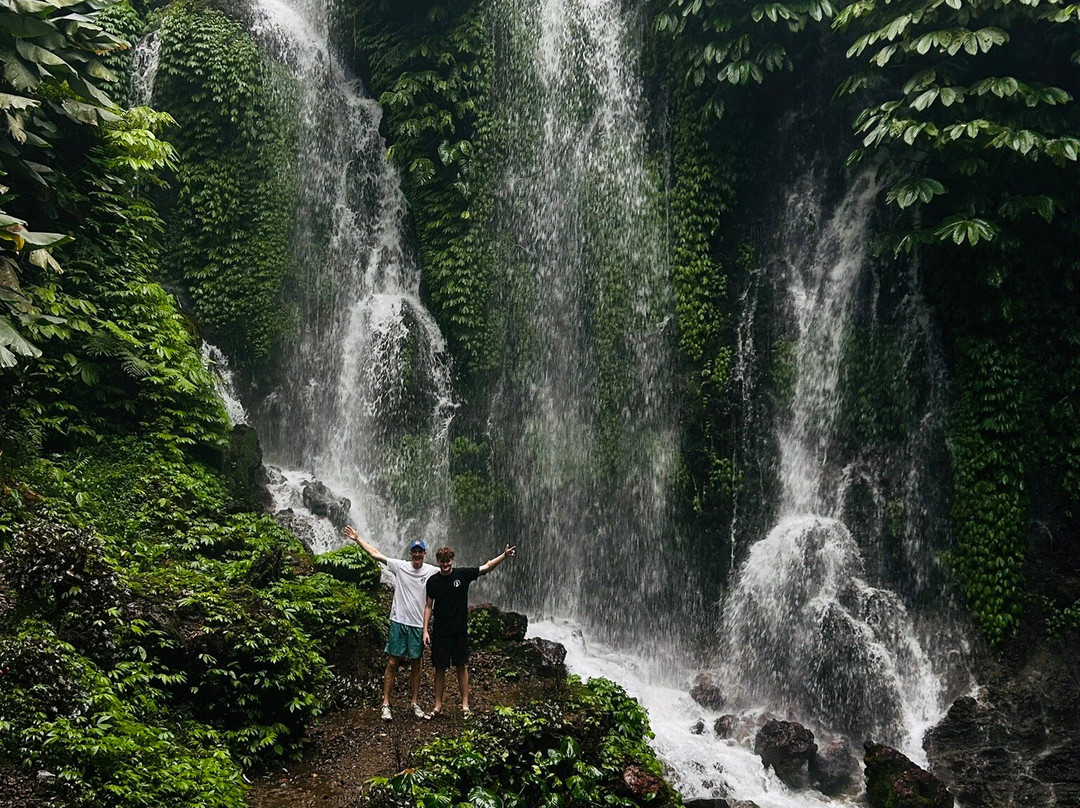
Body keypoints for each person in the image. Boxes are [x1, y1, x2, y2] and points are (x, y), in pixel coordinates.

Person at [343, 525, 437, 721]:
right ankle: (386, 703)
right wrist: (357, 539)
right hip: (398, 621)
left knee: (416, 664)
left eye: (420, 552)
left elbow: (451, 570)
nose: (417, 555)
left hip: (418, 625)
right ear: (411, 554)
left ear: (425, 554)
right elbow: (376, 554)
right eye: (414, 552)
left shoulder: (431, 572)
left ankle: (414, 702)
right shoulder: (400, 566)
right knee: (393, 662)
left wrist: (488, 565)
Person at [422, 543, 516, 717]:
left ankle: (465, 705)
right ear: (438, 561)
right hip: (441, 631)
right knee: (439, 668)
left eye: (448, 561)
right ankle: (437, 706)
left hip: (459, 630)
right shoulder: (433, 581)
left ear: (452, 560)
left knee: (461, 666)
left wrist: (503, 556)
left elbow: (486, 567)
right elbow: (428, 606)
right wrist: (425, 630)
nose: (445, 564)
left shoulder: (462, 575)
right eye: (442, 561)